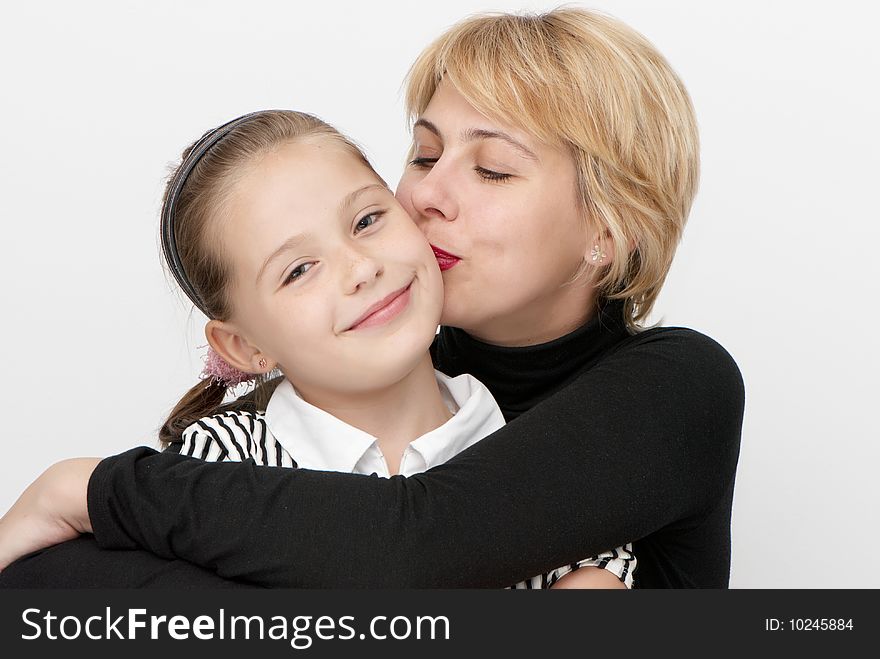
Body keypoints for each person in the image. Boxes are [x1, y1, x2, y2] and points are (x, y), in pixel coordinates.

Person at [0, 8, 742, 589]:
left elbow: (410, 545)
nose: (427, 193)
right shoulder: (361, 366)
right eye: (423, 153)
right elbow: (49, 595)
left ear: (607, 233)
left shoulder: (678, 389)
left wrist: (92, 488)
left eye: (492, 170)